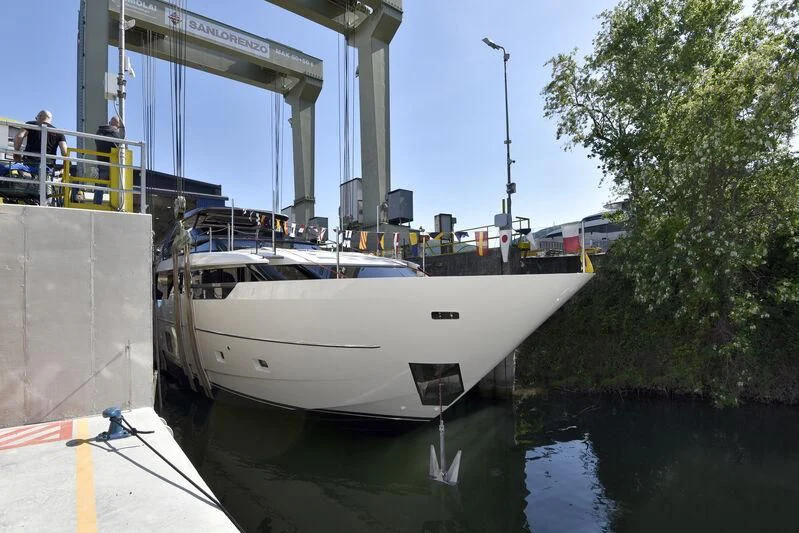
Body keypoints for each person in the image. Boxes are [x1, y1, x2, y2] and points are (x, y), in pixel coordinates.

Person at [93, 116, 125, 205]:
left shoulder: (99, 132)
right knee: (118, 183)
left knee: (100, 184)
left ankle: (97, 203)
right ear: (117, 124)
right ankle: (117, 205)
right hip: (112, 163)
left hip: (100, 161)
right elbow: (121, 148)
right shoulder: (115, 134)